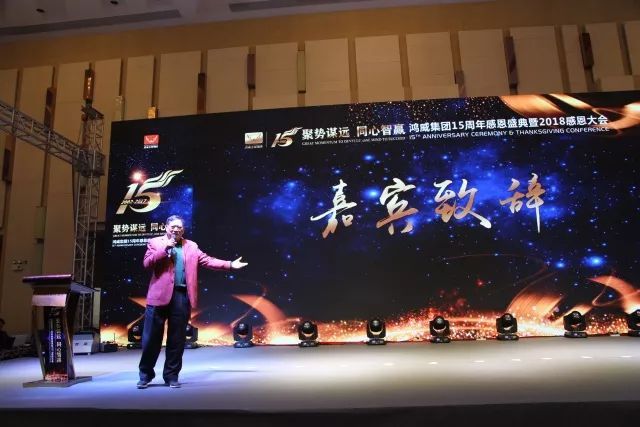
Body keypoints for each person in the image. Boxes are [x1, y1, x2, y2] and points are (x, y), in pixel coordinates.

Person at [137, 214, 247, 389]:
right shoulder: (155, 242)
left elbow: (208, 260)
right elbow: (147, 263)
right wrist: (165, 248)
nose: (176, 230)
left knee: (177, 339)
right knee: (151, 339)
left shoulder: (191, 246)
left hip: (181, 297)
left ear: (183, 230)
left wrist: (229, 264)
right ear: (166, 227)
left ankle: (171, 376)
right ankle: (145, 375)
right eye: (173, 227)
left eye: (179, 227)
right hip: (158, 297)